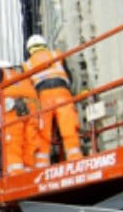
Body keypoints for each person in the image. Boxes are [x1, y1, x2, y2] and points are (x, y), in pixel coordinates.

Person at [25, 34, 83, 163]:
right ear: (44, 46)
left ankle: (41, 164)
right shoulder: (56, 55)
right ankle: (75, 158)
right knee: (68, 127)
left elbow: (28, 89)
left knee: (43, 132)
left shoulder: (27, 65)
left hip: (43, 96)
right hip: (62, 92)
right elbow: (69, 76)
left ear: (29, 50)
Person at [0, 60, 41, 173]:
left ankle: (16, 173)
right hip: (33, 108)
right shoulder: (22, 77)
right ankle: (29, 170)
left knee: (13, 142)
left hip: (14, 107)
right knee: (29, 139)